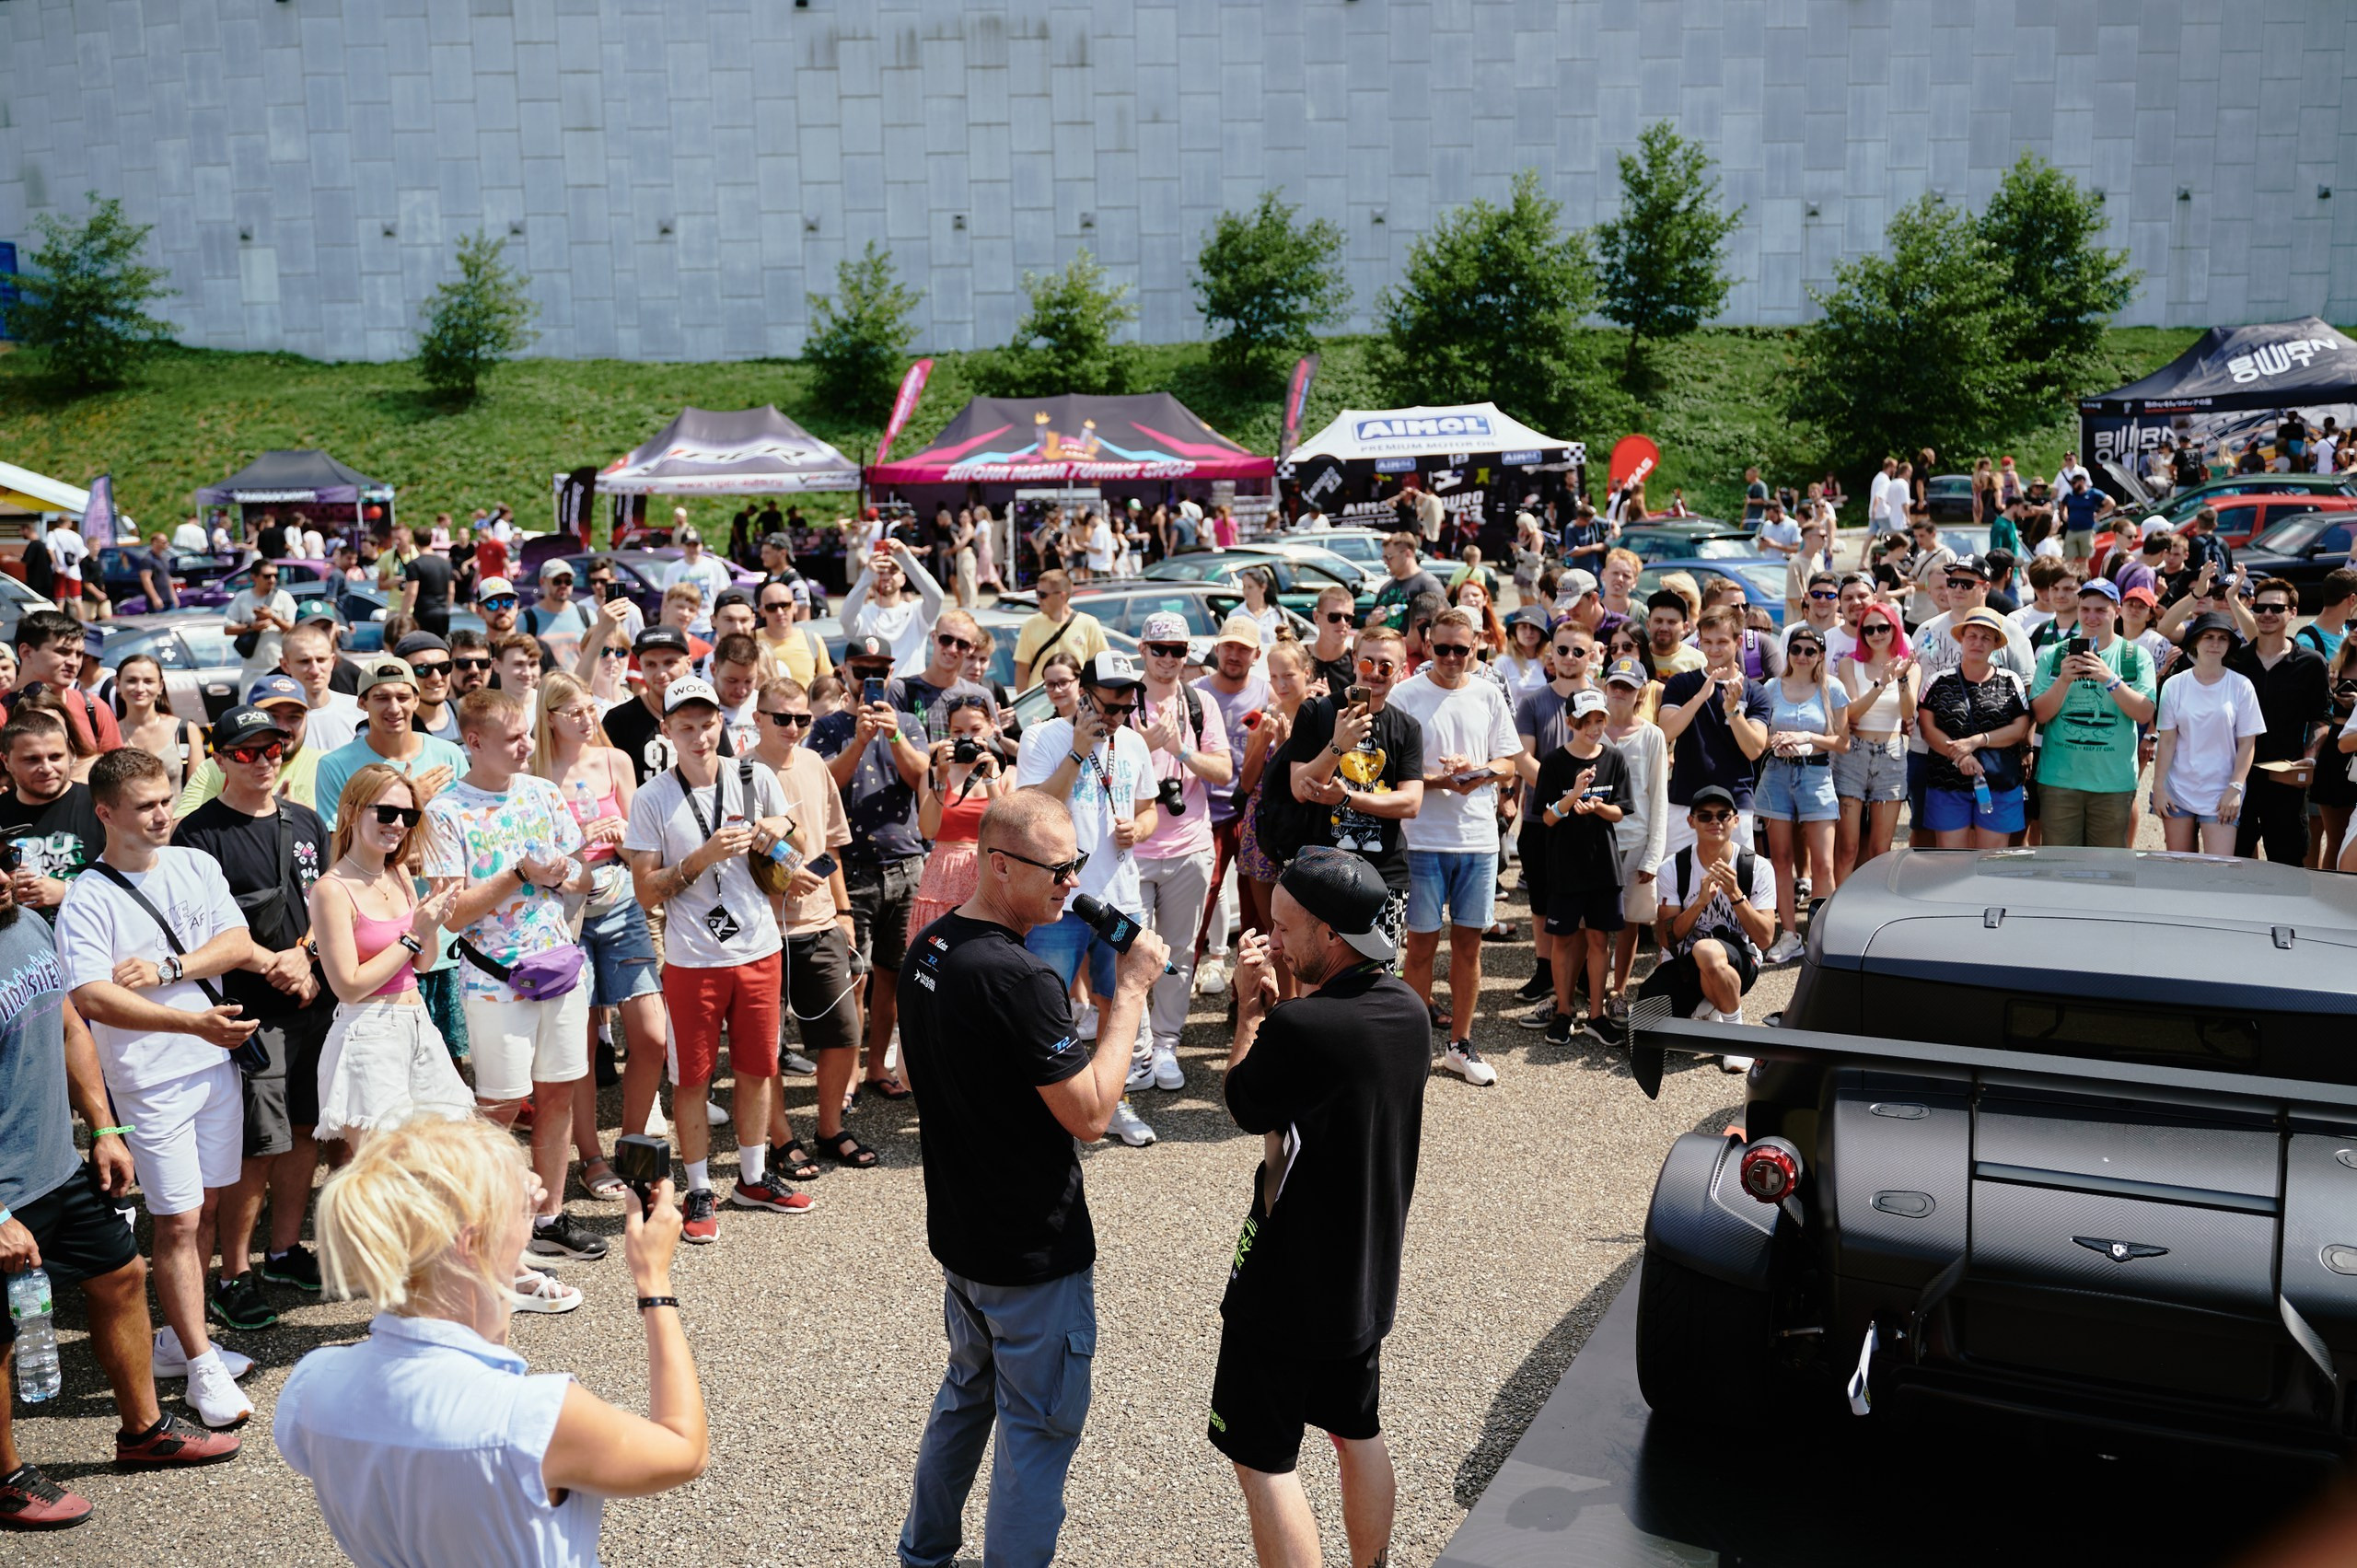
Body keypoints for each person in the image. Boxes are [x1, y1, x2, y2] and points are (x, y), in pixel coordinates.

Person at [895, 790, 1169, 1568]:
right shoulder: (1020, 979)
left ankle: (923, 1556)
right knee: (1036, 1434)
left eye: (1075, 864)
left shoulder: (930, 947)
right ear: (999, 864)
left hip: (964, 1238)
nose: (1072, 882)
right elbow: (1091, 1113)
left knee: (965, 1395)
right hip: (1030, 1253)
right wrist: (1131, 992)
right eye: (1056, 869)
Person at [275, 1113, 706, 1563]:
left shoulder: (314, 1383)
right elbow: (684, 1450)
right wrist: (653, 1280)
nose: (536, 1191)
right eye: (517, 1198)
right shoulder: (536, 1416)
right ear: (472, 1242)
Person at [0, 865, 245, 1528]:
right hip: (5, 1192)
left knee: (121, 1274)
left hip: (56, 1167)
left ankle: (144, 1431)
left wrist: (103, 1128)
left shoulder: (27, 926)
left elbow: (70, 1028)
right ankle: (4, 1477)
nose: (1, 878)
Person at [1213, 847, 1424, 1568]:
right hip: (1364, 1274)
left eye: (1283, 926)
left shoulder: (1301, 1029)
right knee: (1355, 1429)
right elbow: (1323, 1070)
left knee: (1262, 1459)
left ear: (1330, 933)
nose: (1270, 938)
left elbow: (1245, 1101)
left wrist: (1251, 1011)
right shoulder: (1408, 1010)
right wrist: (1285, 1009)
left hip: (1286, 1280)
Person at [56, 749, 265, 1429]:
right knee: (176, 1220)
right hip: (151, 1081)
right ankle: (202, 1367)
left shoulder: (195, 863)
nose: (161, 814)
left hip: (213, 1064)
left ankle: (179, 1339)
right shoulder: (88, 895)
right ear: (105, 812)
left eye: (165, 800)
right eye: (145, 805)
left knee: (206, 1206)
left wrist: (170, 969)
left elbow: (237, 941)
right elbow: (93, 996)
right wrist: (192, 1021)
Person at [169, 703, 342, 1339]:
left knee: (305, 1130)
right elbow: (200, 928)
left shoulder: (306, 820)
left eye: (274, 748)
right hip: (249, 1013)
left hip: (312, 1001)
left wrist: (307, 955)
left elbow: (328, 900)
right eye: (247, 751)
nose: (264, 760)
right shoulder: (197, 833)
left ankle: (285, 1249)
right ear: (220, 759)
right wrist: (278, 964)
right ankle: (233, 1275)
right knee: (257, 1148)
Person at [623, 676, 810, 1244]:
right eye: (686, 726)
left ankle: (752, 1178)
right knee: (693, 1078)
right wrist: (700, 858)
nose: (700, 736)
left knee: (758, 1068)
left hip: (759, 948)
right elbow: (645, 891)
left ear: (721, 723)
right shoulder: (653, 797)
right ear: (666, 730)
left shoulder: (754, 777)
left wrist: (782, 834)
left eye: (707, 724)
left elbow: (792, 847)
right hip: (693, 959)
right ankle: (699, 1187)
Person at [423, 688, 607, 1264]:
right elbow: (453, 913)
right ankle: (481, 1225)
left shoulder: (543, 793)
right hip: (494, 979)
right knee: (499, 1106)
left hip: (559, 968)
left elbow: (585, 877)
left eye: (527, 733)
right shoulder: (445, 811)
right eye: (513, 738)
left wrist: (565, 874)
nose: (527, 745)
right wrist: (520, 874)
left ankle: (547, 1217)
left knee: (558, 1095)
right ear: (474, 742)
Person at [1010, 651, 1162, 1148]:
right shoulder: (1042, 737)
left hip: (1119, 897)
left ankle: (1112, 1101)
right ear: (1084, 695)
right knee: (1046, 1006)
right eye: (1108, 707)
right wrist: (1077, 753)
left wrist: (1138, 829)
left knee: (1118, 1003)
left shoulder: (1133, 743)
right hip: (1058, 898)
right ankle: (1050, 1107)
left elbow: (1149, 811)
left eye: (1125, 708)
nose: (1117, 718)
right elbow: (1031, 813)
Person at [532, 671, 666, 1194]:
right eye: (575, 712)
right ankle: (590, 1157)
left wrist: (623, 838)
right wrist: (580, 839)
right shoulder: (534, 772)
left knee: (651, 1035)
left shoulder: (615, 761)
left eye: (591, 708)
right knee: (581, 1044)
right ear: (549, 719)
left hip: (620, 902)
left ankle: (633, 1145)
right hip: (564, 912)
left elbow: (640, 847)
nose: (588, 719)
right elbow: (531, 860)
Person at [306, 764, 472, 1147]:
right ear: (351, 811)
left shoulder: (399, 874)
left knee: (441, 1152)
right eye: (386, 812)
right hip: (368, 1034)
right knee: (385, 1164)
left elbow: (423, 964)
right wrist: (414, 935)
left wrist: (430, 923)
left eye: (408, 816)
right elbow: (348, 987)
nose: (398, 824)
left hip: (417, 1023)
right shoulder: (331, 890)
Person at [743, 676, 867, 1174]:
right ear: (758, 718)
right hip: (761, 930)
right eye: (782, 718)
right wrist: (787, 867)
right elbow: (742, 846)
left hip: (820, 924)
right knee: (767, 1047)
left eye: (801, 718)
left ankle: (830, 1129)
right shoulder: (741, 772)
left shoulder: (815, 764)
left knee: (844, 1034)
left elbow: (830, 844)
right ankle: (781, 1138)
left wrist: (844, 912)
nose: (793, 727)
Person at [1387, 608, 1517, 1079]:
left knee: (1468, 947)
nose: (1451, 657)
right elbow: (1390, 768)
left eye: (1460, 649)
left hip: (1478, 840)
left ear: (1475, 645)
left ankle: (1460, 1045)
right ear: (1427, 643)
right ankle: (1413, 1046)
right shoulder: (1404, 695)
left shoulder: (1488, 693)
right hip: (1422, 839)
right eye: (1441, 648)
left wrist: (1479, 771)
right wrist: (1440, 780)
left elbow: (1509, 763)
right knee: (1420, 948)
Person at [811, 635, 933, 1107]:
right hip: (851, 870)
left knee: (894, 978)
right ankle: (847, 1075)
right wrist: (860, 741)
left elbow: (922, 777)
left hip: (905, 864)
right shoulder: (827, 726)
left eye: (879, 672)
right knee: (853, 979)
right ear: (843, 673)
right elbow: (824, 784)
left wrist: (894, 736)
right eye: (862, 672)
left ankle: (877, 1065)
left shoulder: (907, 723)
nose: (870, 681)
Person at [1125, 613, 1234, 1094]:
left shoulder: (1199, 702)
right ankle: (1138, 1049)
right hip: (1132, 847)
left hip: (1189, 846)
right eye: (1159, 649)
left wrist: (1180, 751)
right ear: (1142, 650)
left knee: (1180, 953)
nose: (1168, 658)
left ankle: (1166, 1043)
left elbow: (1224, 772)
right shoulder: (1123, 699)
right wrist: (1142, 747)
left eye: (1178, 650)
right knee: (1131, 952)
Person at [1643, 783, 1775, 1058]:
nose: (1715, 821)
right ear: (1691, 821)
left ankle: (1735, 1039)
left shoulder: (1757, 867)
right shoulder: (1673, 867)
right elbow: (1666, 940)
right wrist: (1699, 902)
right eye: (1705, 816)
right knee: (1644, 1031)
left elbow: (1764, 939)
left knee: (1707, 950)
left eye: (1723, 815)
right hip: (1686, 964)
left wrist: (1735, 894)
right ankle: (1708, 1006)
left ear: (1735, 821)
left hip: (1738, 960)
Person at [2028, 580, 2158, 848]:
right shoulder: (2054, 656)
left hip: (2114, 784)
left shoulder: (2135, 656)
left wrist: (2109, 679)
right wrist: (2063, 680)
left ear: (2117, 611)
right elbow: (2040, 715)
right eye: (2085, 609)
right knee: (2060, 864)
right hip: (2059, 782)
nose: (2091, 617)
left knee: (2106, 866)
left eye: (2101, 610)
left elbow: (2144, 713)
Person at [1533, 689, 1629, 1048]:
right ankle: (1563, 1011)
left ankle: (1596, 1016)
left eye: (1599, 720)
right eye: (1586, 721)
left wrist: (1598, 807)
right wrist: (1572, 796)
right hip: (1565, 866)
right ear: (1571, 722)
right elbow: (1546, 818)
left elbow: (1620, 811)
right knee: (1562, 939)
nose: (1594, 728)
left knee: (1599, 939)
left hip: (1603, 865)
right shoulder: (1554, 761)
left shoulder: (1614, 758)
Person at [1753, 624, 1848, 963]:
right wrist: (1776, 741)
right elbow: (1759, 739)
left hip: (1816, 774)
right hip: (1777, 774)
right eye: (1796, 650)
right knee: (1780, 860)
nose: (1803, 656)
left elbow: (1843, 742)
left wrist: (1807, 737)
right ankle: (1789, 935)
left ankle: (1823, 936)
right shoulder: (1770, 688)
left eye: (1810, 651)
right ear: (1788, 652)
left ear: (1821, 655)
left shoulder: (1832, 688)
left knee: (1823, 863)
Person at [2226, 577, 2332, 865]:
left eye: (2276, 608)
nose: (2267, 614)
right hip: (2237, 777)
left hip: (2285, 779)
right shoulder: (2235, 661)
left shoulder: (2311, 663)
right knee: (2233, 864)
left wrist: (2309, 758)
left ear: (2293, 612)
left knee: (2288, 866)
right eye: (2260, 607)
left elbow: (2320, 716)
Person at [1655, 609, 1771, 865]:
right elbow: (1666, 732)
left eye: (1721, 642)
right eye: (1707, 641)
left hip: (1736, 803)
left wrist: (1732, 711)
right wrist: (1700, 696)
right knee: (1675, 878)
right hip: (1684, 800)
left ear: (1738, 642)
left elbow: (1754, 749)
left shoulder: (1755, 692)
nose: (1713, 649)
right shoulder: (1682, 684)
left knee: (1739, 879)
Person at [1191, 616, 1271, 993]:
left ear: (1257, 655)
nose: (1234, 655)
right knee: (1198, 906)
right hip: (1203, 813)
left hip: (1253, 812)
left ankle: (1249, 996)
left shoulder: (1268, 694)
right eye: (1228, 647)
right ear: (1217, 649)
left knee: (1258, 911)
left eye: (1243, 649)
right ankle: (1178, 995)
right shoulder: (1193, 693)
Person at [1918, 609, 2035, 849]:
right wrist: (1960, 755)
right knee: (1952, 860)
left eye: (1986, 638)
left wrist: (1978, 740)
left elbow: (2020, 728)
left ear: (1995, 645)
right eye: (1972, 636)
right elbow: (1927, 729)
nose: (1978, 643)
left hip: (1999, 783)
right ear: (1961, 639)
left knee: (1990, 860)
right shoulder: (1938, 681)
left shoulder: (2010, 680)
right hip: (1948, 782)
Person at [2154, 611, 2267, 856]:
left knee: (2219, 867)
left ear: (2229, 645)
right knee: (2179, 866)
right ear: (2195, 641)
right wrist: (2158, 787)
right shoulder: (2174, 685)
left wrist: (2235, 788)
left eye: (2222, 638)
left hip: (2221, 791)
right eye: (2208, 637)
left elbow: (2247, 743)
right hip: (2177, 788)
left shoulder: (2241, 685)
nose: (2215, 643)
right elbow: (2167, 740)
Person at [1833, 603, 1915, 882]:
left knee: (1881, 849)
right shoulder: (1849, 664)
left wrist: (1901, 679)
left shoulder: (1909, 667)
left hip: (1891, 755)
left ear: (1894, 628)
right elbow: (1851, 713)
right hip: (1853, 755)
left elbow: (1907, 713)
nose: (1876, 634)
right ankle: (1839, 904)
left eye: (1883, 627)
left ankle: (1874, 903)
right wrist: (1881, 684)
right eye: (1869, 630)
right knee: (1847, 847)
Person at [0, 710, 106, 922]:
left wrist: (68, 891)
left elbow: (136, 878)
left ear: (70, 753)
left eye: (56, 757)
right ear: (6, 761)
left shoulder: (102, 807)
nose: (47, 768)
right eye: (32, 759)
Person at [6, 610, 123, 756]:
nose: (73, 662)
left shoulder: (94, 708)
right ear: (26, 652)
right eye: (63, 652)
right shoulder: (3, 710)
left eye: (79, 654)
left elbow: (118, 768)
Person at [842, 540, 949, 676]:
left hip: (910, 688)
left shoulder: (917, 611)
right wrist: (868, 573)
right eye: (881, 570)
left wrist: (905, 556)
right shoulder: (862, 614)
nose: (886, 576)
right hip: (876, 688)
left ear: (903, 579)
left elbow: (937, 596)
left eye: (893, 571)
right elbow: (845, 619)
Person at [111, 654, 203, 804]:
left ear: (160, 686)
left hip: (178, 818)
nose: (140, 688)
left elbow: (197, 794)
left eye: (148, 681)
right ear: (117, 684)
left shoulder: (185, 730)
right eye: (131, 681)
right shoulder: (109, 732)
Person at [226, 563, 298, 692]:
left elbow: (295, 631)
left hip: (279, 667)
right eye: (267, 576)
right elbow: (228, 629)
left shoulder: (283, 597)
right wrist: (251, 627)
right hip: (251, 670)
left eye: (276, 576)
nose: (272, 580)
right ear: (254, 577)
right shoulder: (243, 598)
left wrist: (273, 618)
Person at [1370, 532, 1446, 631]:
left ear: (1407, 554)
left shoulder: (1428, 585)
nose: (1386, 562)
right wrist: (1371, 621)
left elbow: (1441, 625)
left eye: (1389, 556)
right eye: (1384, 557)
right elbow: (1371, 622)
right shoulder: (1386, 588)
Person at [1306, 583, 1357, 696]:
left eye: (1348, 618)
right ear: (1316, 617)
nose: (1343, 623)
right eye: (1334, 617)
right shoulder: (1298, 658)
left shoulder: (1356, 664)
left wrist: (1330, 702)